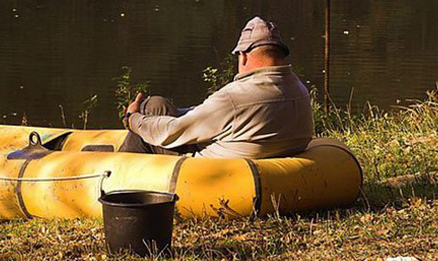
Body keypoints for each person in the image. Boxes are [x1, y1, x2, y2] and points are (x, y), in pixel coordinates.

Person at [118, 16, 314, 159]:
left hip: (206, 166)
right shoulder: (299, 90)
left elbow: (171, 133)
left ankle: (114, 178)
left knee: (148, 116)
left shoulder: (235, 98)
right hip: (257, 151)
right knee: (158, 104)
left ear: (243, 55)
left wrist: (133, 119)